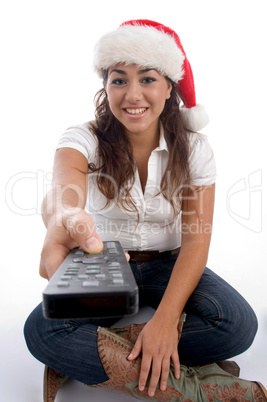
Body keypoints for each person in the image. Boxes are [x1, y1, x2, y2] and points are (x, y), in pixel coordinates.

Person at [24, 20, 266, 401]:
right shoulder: (82, 137)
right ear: (105, 86)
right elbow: (62, 192)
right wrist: (65, 218)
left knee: (238, 327)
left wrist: (165, 322)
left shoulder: (196, 149)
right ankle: (192, 385)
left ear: (169, 87)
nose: (132, 94)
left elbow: (196, 243)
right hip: (102, 261)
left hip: (169, 262)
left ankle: (88, 356)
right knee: (41, 331)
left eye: (148, 79)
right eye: (119, 80)